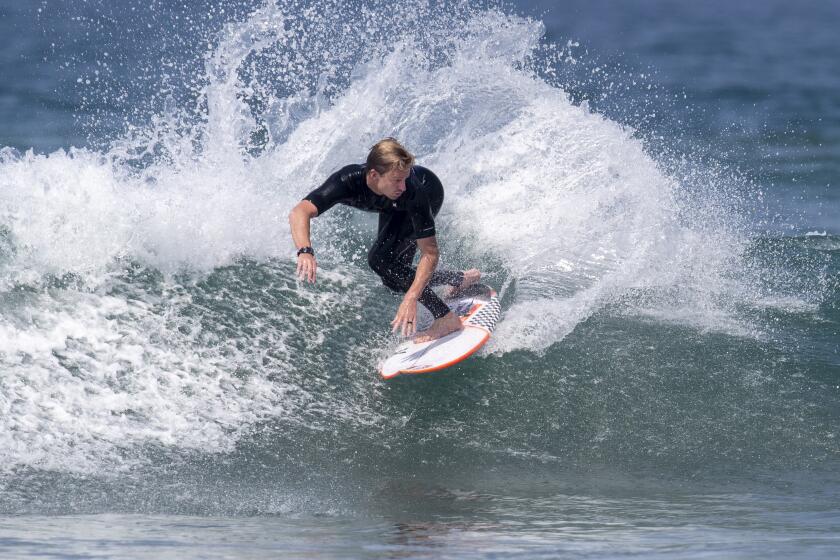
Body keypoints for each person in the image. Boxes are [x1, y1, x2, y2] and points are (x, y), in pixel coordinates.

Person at [288, 138, 480, 342]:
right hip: (392, 207)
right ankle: (458, 278)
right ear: (373, 175)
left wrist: (411, 298)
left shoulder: (412, 191)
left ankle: (446, 318)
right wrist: (305, 251)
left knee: (380, 260)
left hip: (428, 192)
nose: (403, 186)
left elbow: (430, 253)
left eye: (405, 179)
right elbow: (299, 211)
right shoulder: (348, 181)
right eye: (397, 180)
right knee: (393, 280)